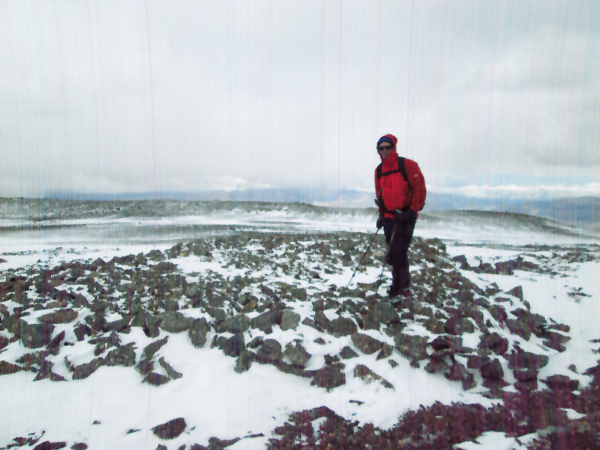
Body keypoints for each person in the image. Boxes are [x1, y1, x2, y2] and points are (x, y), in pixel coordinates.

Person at [374, 134, 426, 298]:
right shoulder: (379, 170)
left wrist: (411, 211)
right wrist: (381, 215)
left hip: (405, 216)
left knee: (398, 252)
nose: (384, 150)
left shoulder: (407, 165)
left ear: (393, 147)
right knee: (393, 251)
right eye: (380, 148)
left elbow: (420, 189)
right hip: (389, 218)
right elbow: (380, 194)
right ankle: (400, 283)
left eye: (387, 147)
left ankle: (401, 286)